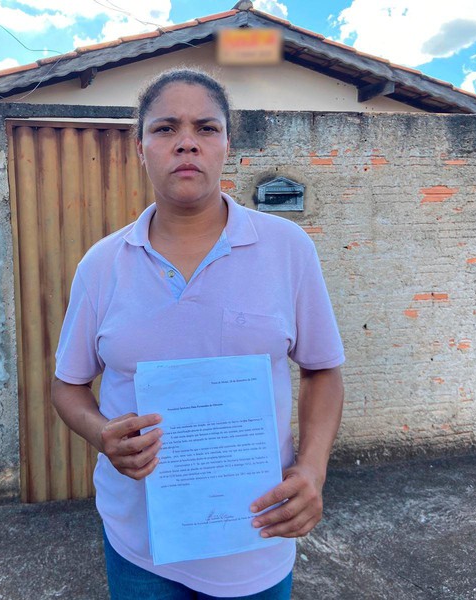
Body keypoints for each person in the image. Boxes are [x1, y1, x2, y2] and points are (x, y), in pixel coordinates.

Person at [52, 68, 345, 599]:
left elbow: (323, 370)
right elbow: (67, 386)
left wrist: (313, 470)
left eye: (206, 128)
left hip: (256, 542)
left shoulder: (287, 248)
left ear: (227, 145)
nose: (186, 142)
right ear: (140, 148)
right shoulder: (102, 264)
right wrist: (102, 434)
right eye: (165, 128)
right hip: (139, 546)